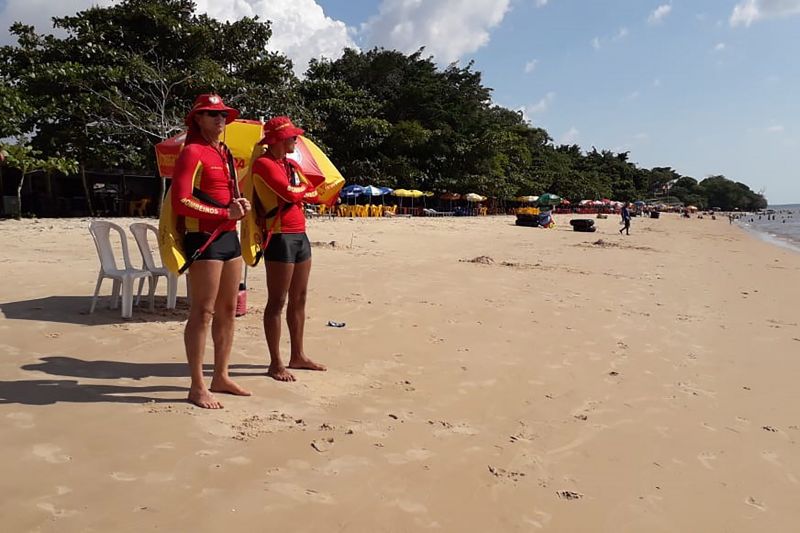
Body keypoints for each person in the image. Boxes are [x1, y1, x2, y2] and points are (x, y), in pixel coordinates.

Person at [171, 93, 252, 409]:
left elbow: (226, 195)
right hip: (203, 238)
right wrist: (223, 214)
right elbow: (181, 200)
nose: (219, 119)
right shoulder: (192, 151)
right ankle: (197, 385)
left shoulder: (226, 152)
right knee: (202, 312)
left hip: (229, 238)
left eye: (222, 114)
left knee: (228, 310)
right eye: (211, 114)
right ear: (198, 119)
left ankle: (221, 375)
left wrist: (239, 207)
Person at [250, 116, 326, 382]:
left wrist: (301, 189)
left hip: (300, 235)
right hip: (279, 236)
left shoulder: (291, 164)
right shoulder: (264, 164)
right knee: (277, 301)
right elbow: (291, 194)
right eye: (293, 136)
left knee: (300, 298)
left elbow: (314, 193)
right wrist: (301, 189)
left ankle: (298, 355)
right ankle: (275, 362)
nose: (297, 140)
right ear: (279, 139)